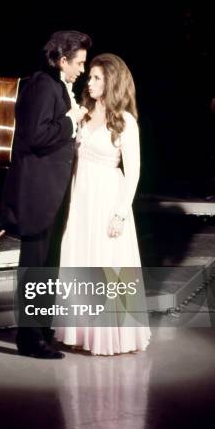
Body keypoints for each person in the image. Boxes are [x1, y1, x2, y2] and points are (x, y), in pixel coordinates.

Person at [0, 30, 92, 358]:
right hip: (38, 194)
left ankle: (42, 330)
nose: (82, 68)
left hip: (53, 192)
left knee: (48, 266)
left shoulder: (58, 87)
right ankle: (29, 338)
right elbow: (37, 136)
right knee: (35, 268)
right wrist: (71, 120)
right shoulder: (42, 85)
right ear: (62, 59)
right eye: (78, 62)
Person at [55, 53, 151, 355]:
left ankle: (109, 335)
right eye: (90, 76)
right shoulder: (82, 112)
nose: (90, 81)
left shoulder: (125, 121)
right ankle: (80, 332)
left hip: (107, 199)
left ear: (111, 82)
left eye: (97, 77)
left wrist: (120, 214)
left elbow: (133, 172)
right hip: (81, 199)